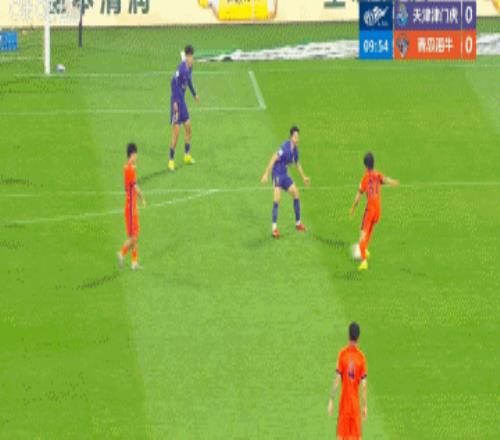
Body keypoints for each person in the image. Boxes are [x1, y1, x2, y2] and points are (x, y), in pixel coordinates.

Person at [350, 152, 399, 271]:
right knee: (370, 229)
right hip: (378, 210)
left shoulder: (365, 178)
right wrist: (393, 182)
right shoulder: (377, 175)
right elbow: (386, 179)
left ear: (365, 165)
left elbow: (358, 196)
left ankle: (364, 261)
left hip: (370, 210)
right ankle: (365, 250)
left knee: (362, 234)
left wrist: (353, 207)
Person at [260, 126, 310, 238]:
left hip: (285, 175)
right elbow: (274, 158)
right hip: (277, 174)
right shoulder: (285, 147)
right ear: (291, 137)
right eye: (296, 136)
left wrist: (304, 177)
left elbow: (297, 164)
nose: (297, 138)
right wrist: (266, 174)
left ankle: (298, 224)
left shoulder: (295, 150)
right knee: (277, 199)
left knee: (296, 193)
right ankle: (274, 229)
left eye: (298, 136)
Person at [328, 322, 368, 440]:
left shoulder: (342, 354)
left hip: (344, 405)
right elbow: (364, 386)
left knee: (341, 437)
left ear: (348, 335)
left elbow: (336, 380)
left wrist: (331, 400)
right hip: (355, 406)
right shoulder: (361, 358)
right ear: (358, 337)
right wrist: (364, 406)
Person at [168, 44, 200, 171]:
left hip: (183, 102)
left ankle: (186, 155)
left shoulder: (189, 68)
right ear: (187, 56)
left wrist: (194, 94)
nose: (192, 59)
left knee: (188, 128)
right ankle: (171, 160)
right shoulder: (180, 69)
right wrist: (175, 102)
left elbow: (189, 81)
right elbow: (173, 83)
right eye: (191, 57)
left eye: (193, 57)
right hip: (176, 103)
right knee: (176, 133)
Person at [117, 143, 146, 270]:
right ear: (132, 154)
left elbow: (126, 188)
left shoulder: (127, 167)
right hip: (130, 208)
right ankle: (121, 253)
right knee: (134, 237)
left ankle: (134, 263)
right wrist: (142, 198)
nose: (136, 157)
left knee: (133, 235)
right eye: (136, 154)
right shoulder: (130, 169)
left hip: (130, 206)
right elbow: (135, 187)